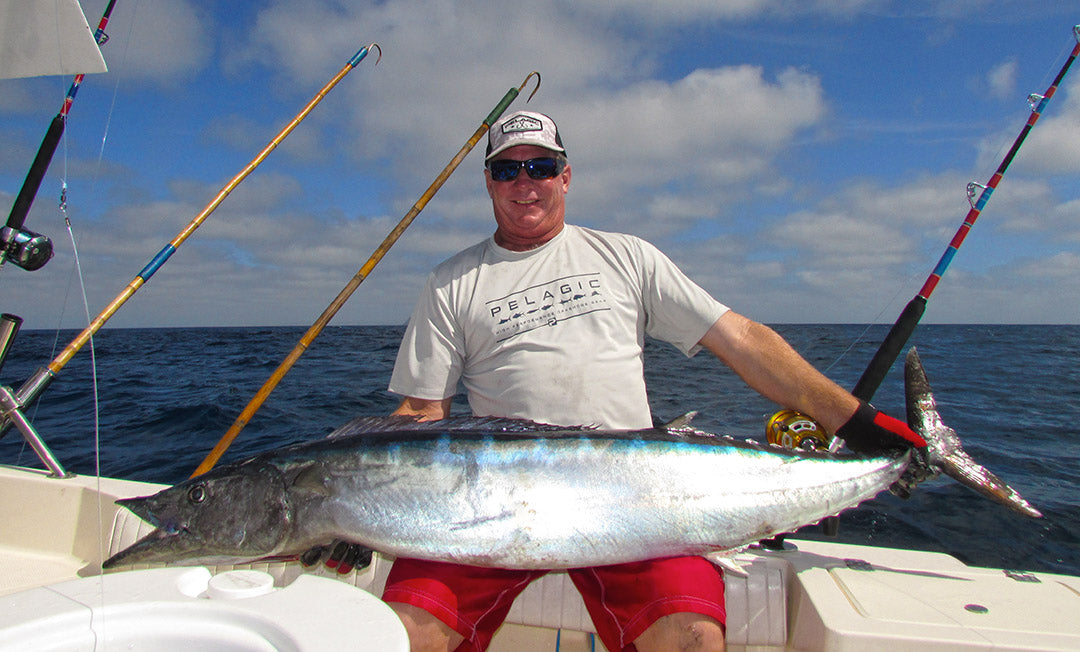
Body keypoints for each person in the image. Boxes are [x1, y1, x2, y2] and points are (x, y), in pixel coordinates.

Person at [381, 110, 926, 652]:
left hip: (640, 499)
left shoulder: (625, 257)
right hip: (490, 505)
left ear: (565, 177)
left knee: (692, 638)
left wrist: (855, 420)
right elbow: (422, 412)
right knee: (399, 635)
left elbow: (739, 340)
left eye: (540, 166)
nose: (525, 183)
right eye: (507, 170)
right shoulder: (451, 282)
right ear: (488, 183)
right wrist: (369, 517)